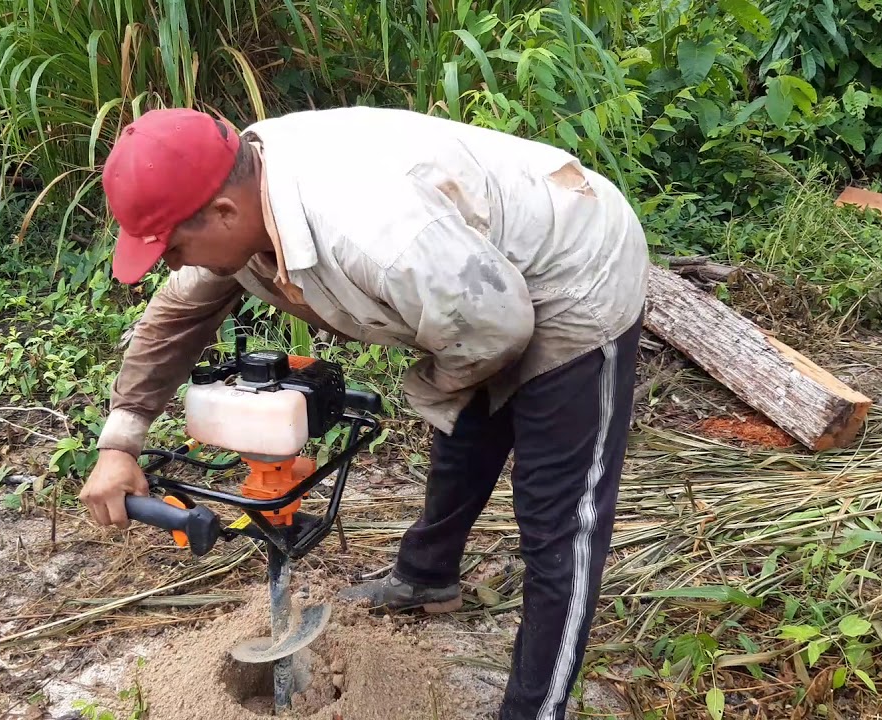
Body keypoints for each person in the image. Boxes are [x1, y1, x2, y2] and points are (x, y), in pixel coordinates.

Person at [78, 105, 648, 720]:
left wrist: (436, 386)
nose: (170, 262)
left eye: (172, 246)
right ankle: (427, 578)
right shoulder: (237, 201)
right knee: (467, 423)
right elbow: (175, 319)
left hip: (570, 274)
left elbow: (497, 332)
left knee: (559, 513)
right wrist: (120, 442)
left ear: (224, 213)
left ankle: (536, 710)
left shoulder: (375, 234)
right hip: (469, 281)